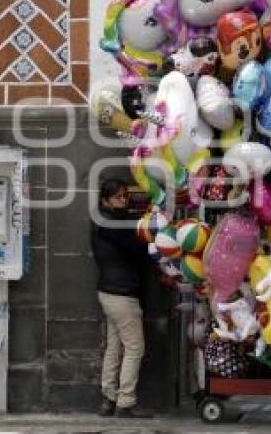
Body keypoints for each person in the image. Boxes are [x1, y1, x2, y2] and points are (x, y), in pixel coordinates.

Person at [92, 179, 150, 418]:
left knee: (115, 347)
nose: (123, 201)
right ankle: (125, 402)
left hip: (109, 292)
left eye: (125, 196)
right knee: (135, 347)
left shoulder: (102, 220)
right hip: (122, 294)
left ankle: (108, 398)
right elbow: (139, 248)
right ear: (105, 200)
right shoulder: (114, 224)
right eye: (118, 197)